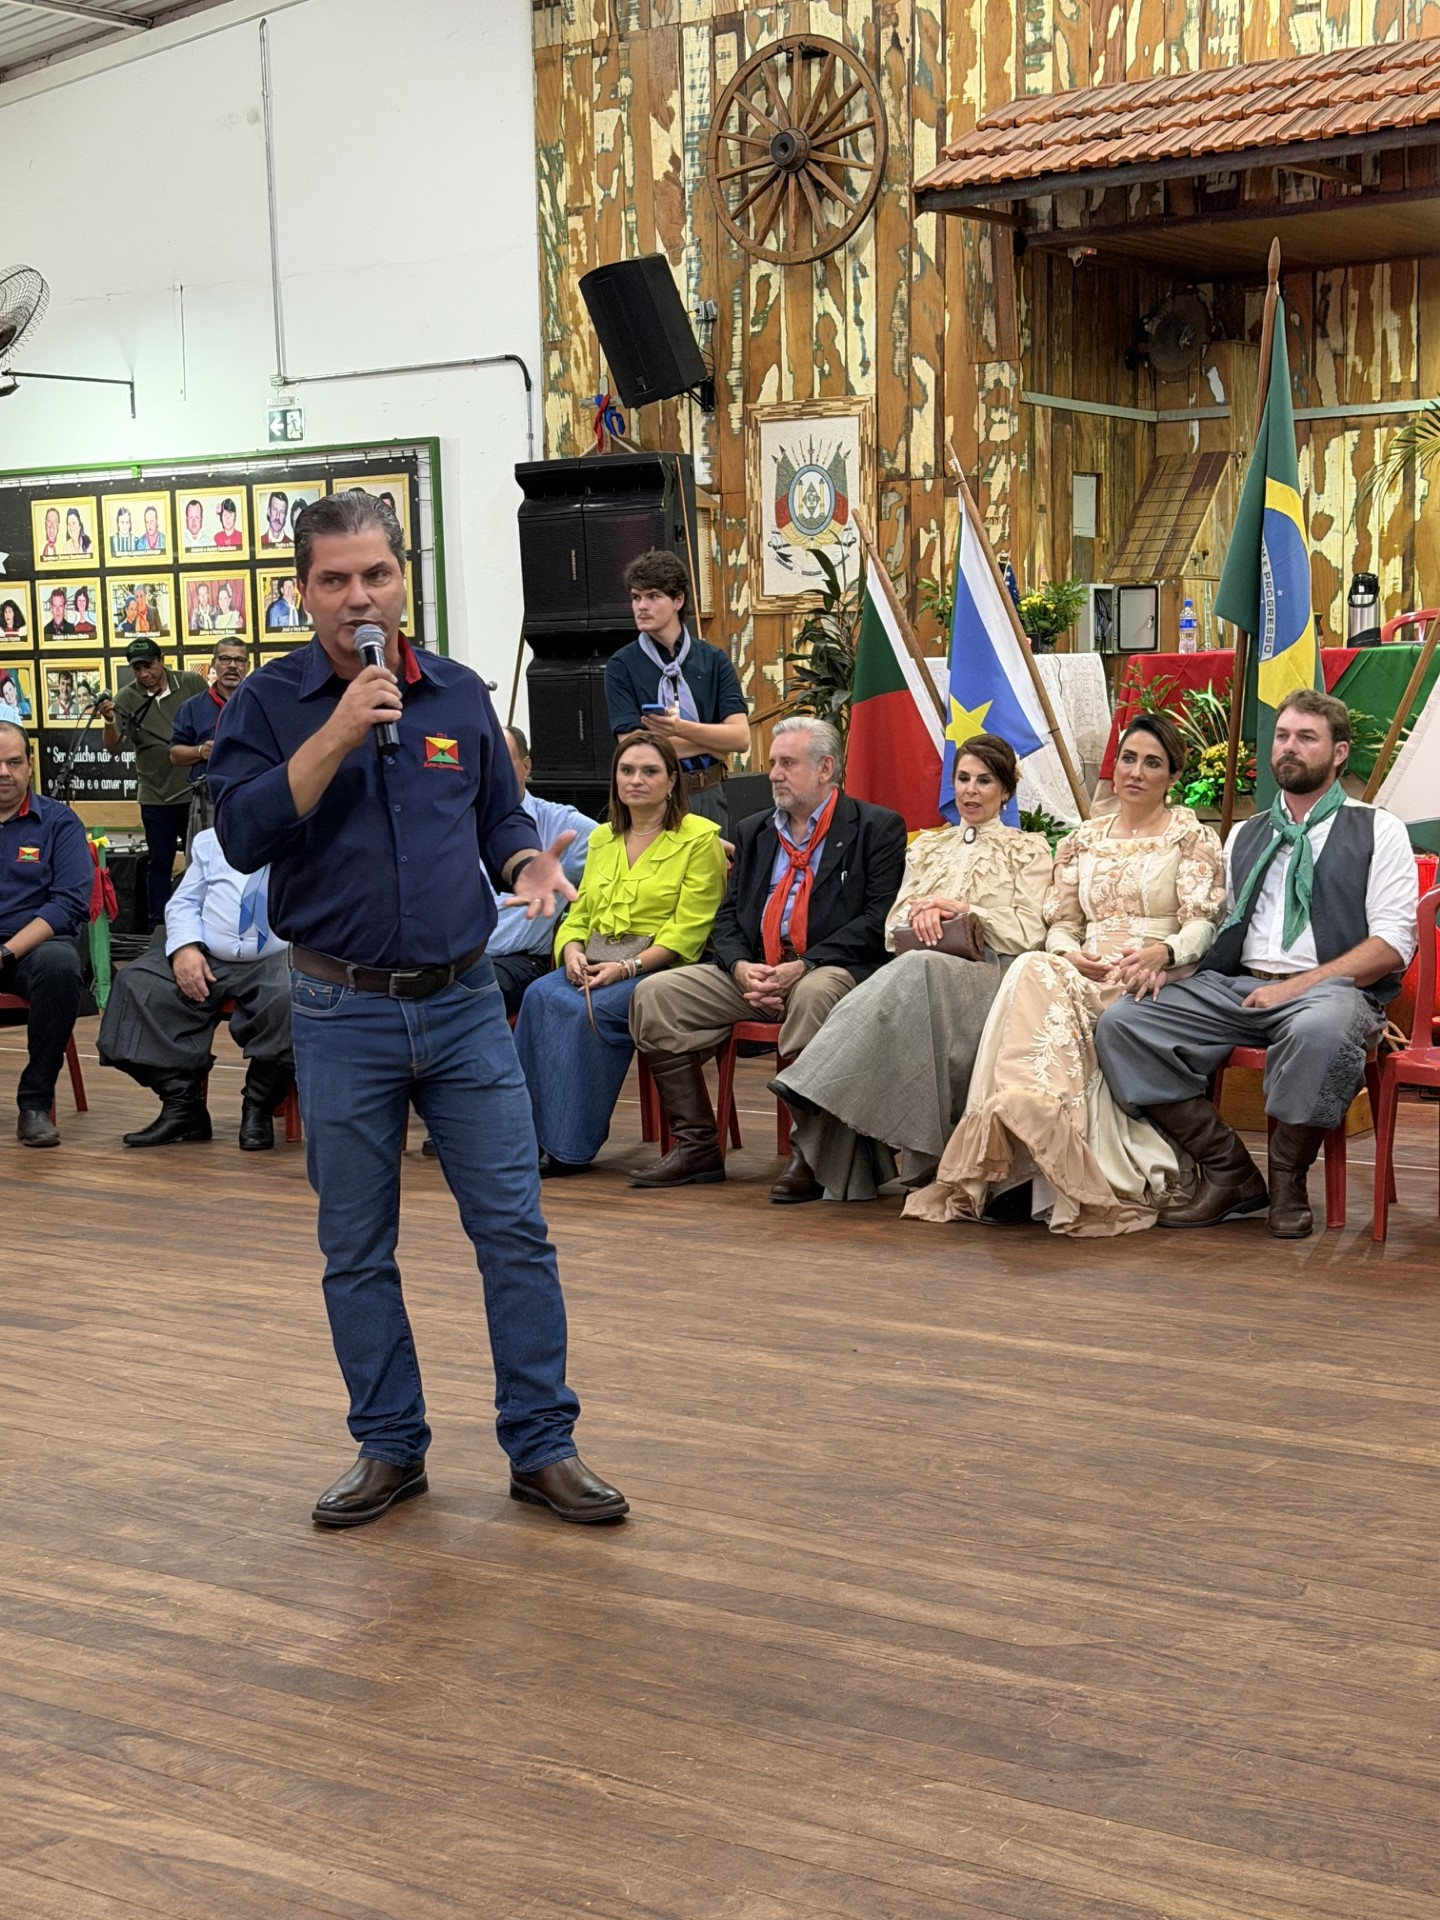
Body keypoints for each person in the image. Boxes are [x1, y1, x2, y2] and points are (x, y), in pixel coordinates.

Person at [208, 488, 627, 1530]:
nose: (360, 597)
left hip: (463, 1008)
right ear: (303, 593)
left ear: (405, 578)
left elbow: (496, 817)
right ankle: (390, 1446)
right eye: (336, 580)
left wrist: (526, 864)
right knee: (357, 1247)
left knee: (517, 1236)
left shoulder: (456, 696)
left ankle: (543, 1446)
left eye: (376, 575)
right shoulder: (268, 705)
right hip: (339, 1010)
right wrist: (341, 731)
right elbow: (246, 832)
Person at [1095, 689, 1419, 1239]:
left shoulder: (1376, 829)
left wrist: (1296, 988)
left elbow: (1391, 945)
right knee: (1127, 1022)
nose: (1289, 748)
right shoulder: (1248, 833)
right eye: (1283, 736)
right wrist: (1176, 967)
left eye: (1307, 738)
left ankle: (1288, 1178)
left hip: (1332, 991)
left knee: (1321, 1028)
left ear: (1339, 754)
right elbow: (1223, 927)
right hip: (1237, 986)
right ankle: (1230, 1171)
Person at [905, 714, 1225, 1238]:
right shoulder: (1083, 838)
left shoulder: (1190, 837)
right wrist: (1069, 954)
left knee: (1036, 975)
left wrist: (1162, 954)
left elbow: (1201, 925)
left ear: (1172, 776)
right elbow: (1061, 925)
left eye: (1152, 763)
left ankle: (1041, 1152)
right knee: (1036, 964)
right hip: (1086, 967)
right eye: (1128, 759)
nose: (1136, 773)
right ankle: (1024, 1132)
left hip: (1152, 976)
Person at [628, 716, 907, 1197]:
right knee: (656, 994)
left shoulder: (875, 828)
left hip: (826, 969)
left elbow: (876, 920)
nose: (774, 773)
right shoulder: (756, 829)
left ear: (825, 768)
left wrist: (804, 965)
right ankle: (697, 1146)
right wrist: (739, 966)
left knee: (814, 994)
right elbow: (728, 915)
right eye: (772, 763)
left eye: (787, 763)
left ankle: (810, 1154)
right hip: (755, 971)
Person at [771, 734, 1053, 1201]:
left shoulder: (1028, 850)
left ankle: (810, 1082)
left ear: (1006, 790)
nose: (971, 790)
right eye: (963, 778)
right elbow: (890, 928)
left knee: (916, 968)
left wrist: (960, 910)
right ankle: (829, 1113)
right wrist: (920, 915)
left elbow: (1029, 932)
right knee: (912, 968)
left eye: (985, 781)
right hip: (921, 976)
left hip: (991, 976)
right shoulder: (926, 848)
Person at [513, 731, 726, 1176]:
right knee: (538, 994)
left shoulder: (699, 839)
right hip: (596, 958)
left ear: (671, 781)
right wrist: (570, 950)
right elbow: (579, 913)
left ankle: (568, 1148)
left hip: (661, 968)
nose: (636, 780)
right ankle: (525, 1139)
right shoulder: (602, 841)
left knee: (579, 1010)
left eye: (650, 771)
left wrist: (624, 968)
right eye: (627, 771)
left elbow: (690, 929)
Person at [97, 828, 292, 1150]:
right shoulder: (211, 840)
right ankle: (183, 1106)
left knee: (293, 997)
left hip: (281, 954)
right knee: (136, 984)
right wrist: (186, 946)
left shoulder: (311, 836)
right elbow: (185, 901)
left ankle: (258, 1105)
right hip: (208, 952)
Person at [603, 549, 748, 830]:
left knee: (713, 872)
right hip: (652, 800)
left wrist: (676, 729)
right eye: (636, 597)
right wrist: (715, 742)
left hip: (707, 792)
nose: (641, 606)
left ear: (678, 600)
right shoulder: (622, 665)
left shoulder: (713, 660)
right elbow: (634, 748)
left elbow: (740, 738)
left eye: (653, 596)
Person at [0, 720, 92, 1147]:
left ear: (30, 765)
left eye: (14, 762)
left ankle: (34, 1103)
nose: (4, 772)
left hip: (29, 949)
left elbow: (68, 904)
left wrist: (5, 952)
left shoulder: (59, 822)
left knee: (60, 964)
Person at [484, 725, 596, 1017]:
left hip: (518, 960)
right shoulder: (457, 820)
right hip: (458, 958)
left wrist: (704, 840)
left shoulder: (563, 825)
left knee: (464, 997)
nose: (492, 773)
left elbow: (629, 839)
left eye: (502, 763)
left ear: (526, 766)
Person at [100, 641, 208, 931]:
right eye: (137, 668)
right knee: (159, 862)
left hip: (193, 791)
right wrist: (110, 720)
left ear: (162, 660)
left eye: (149, 665)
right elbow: (112, 745)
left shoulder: (190, 683)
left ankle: (203, 921)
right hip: (155, 794)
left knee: (201, 859)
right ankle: (156, 929)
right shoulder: (127, 697)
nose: (144, 673)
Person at [171, 639, 249, 840]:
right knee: (206, 865)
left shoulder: (259, 703)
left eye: (239, 660)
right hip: (208, 800)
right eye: (225, 659)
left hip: (251, 795)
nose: (232, 666)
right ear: (214, 664)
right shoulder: (192, 707)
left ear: (247, 666)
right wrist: (200, 751)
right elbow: (174, 754)